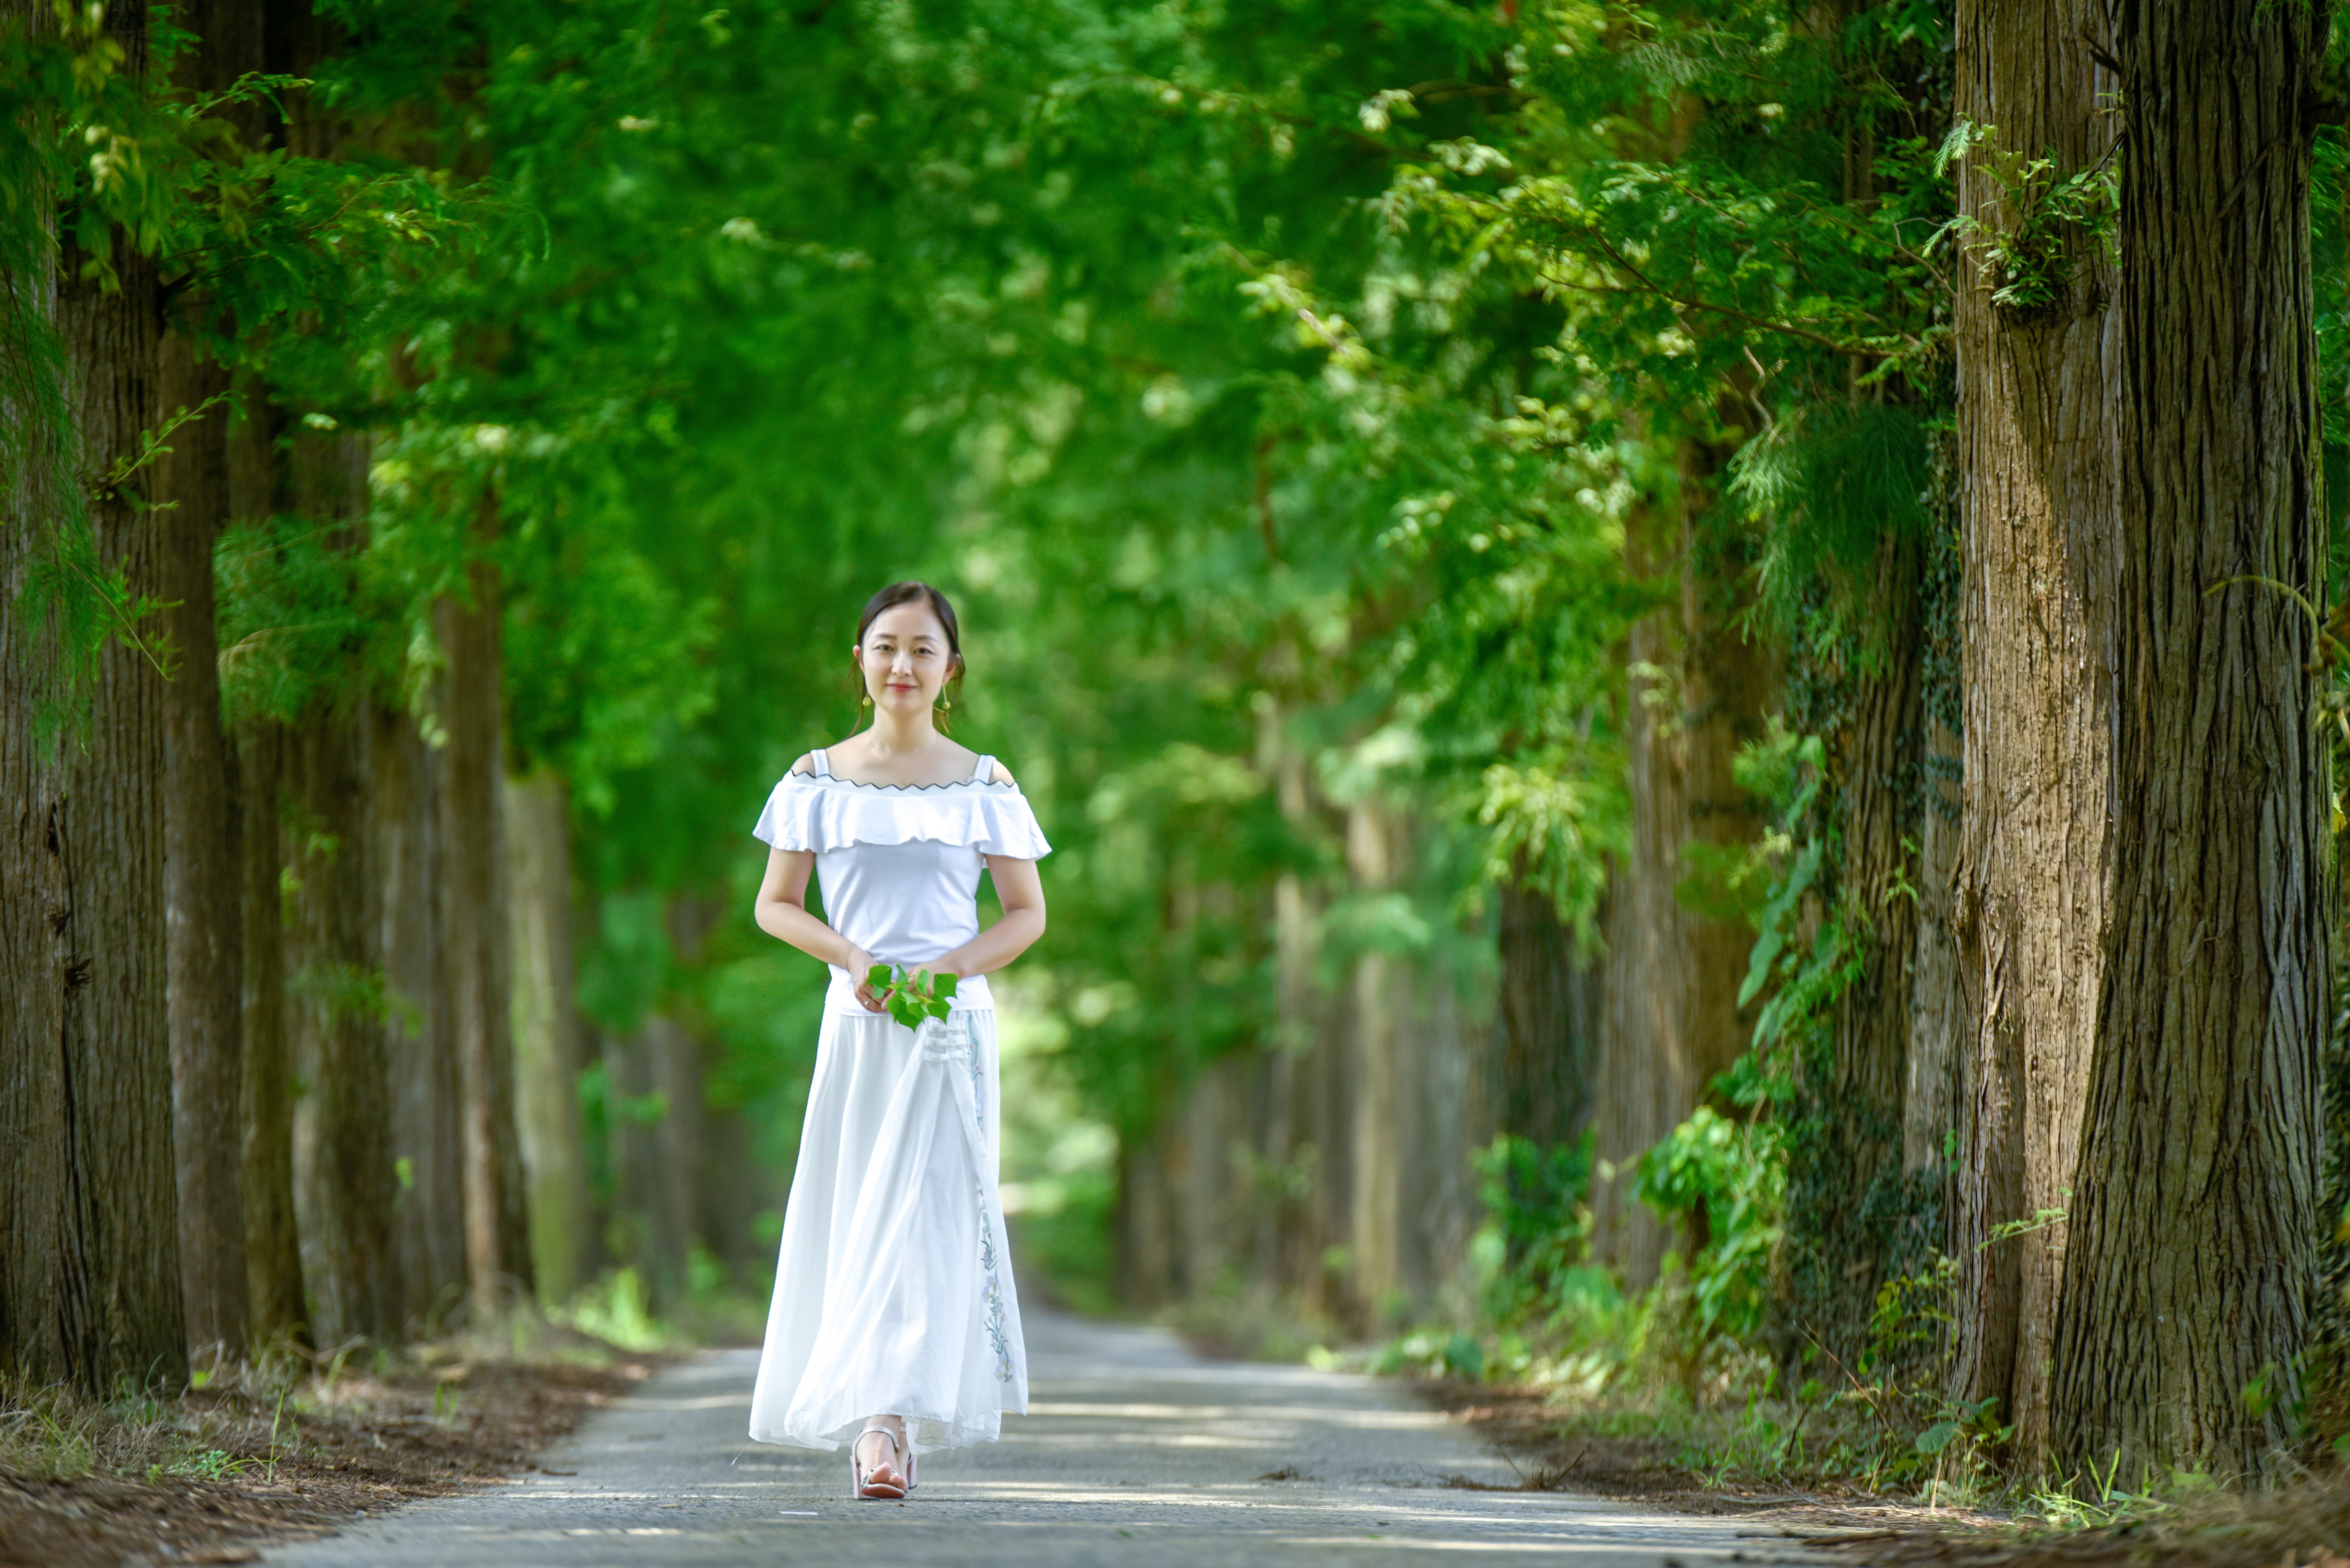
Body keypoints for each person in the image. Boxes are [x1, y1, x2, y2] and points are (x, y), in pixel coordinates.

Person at [744, 581, 1050, 1501]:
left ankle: (892, 1423)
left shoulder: (985, 783)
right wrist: (852, 958)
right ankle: (874, 1414)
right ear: (861, 662)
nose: (902, 665)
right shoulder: (814, 780)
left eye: (922, 649)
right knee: (864, 1208)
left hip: (952, 1029)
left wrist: (944, 973)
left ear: (949, 669)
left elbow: (1025, 916)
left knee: (929, 1217)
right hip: (860, 1028)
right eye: (886, 646)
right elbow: (775, 905)